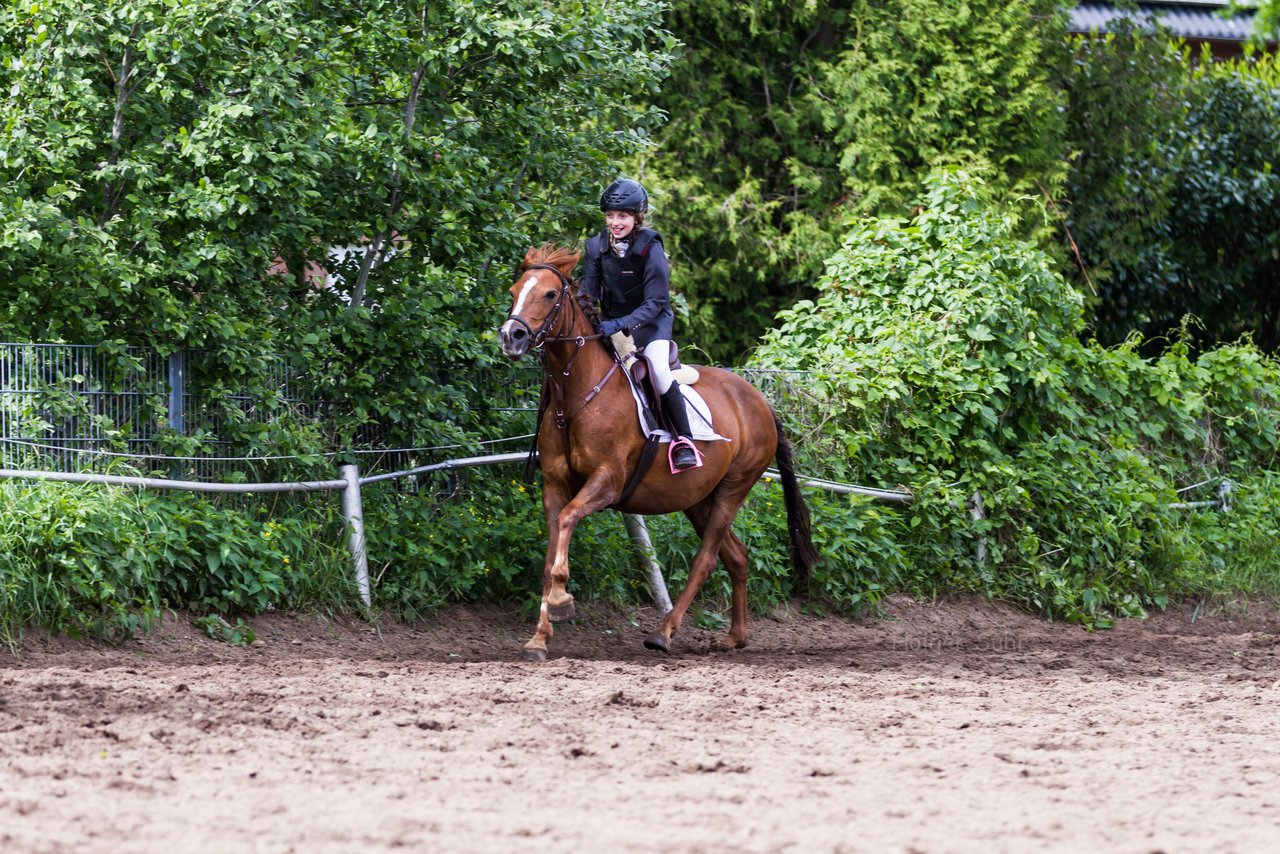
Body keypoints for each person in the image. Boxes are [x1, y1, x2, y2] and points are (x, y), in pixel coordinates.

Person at [579, 178, 700, 472]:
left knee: (657, 371)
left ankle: (684, 440)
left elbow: (656, 302)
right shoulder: (595, 247)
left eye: (622, 216)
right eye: (610, 215)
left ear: (636, 217)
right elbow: (588, 292)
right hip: (612, 327)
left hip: (651, 325)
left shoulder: (650, 247)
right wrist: (582, 313)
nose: (615, 222)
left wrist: (620, 323)